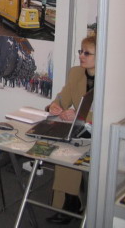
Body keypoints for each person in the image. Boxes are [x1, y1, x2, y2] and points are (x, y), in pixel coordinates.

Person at [46, 35, 96, 224]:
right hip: (79, 130)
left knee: (68, 149)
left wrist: (79, 116)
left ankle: (71, 203)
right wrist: (55, 106)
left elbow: (106, 115)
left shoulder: (110, 80)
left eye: (87, 53)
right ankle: (70, 200)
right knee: (64, 147)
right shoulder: (76, 73)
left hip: (99, 132)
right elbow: (63, 97)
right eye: (81, 51)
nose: (81, 56)